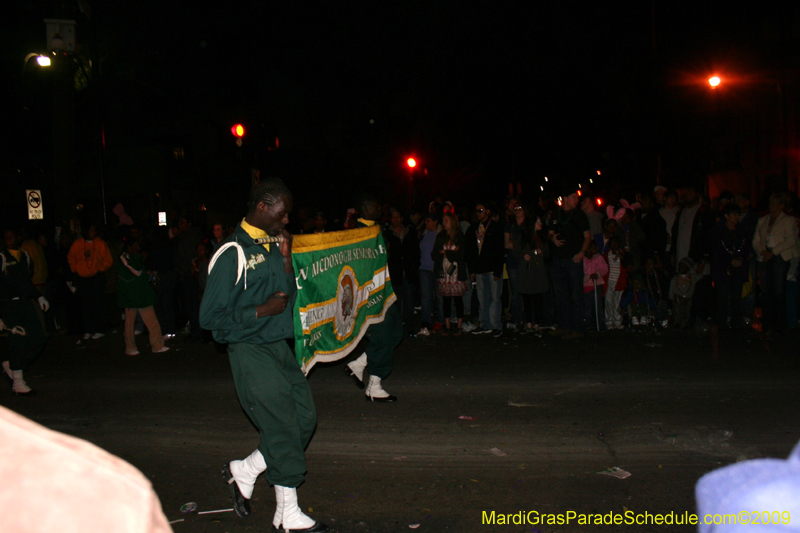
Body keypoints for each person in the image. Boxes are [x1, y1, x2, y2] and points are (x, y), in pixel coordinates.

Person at [199, 178, 328, 532]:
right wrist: (261, 310)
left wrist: (285, 260)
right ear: (262, 208)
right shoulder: (232, 252)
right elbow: (209, 319)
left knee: (304, 417)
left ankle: (247, 468)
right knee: (283, 428)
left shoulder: (271, 245)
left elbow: (285, 296)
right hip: (250, 352)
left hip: (277, 348)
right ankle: (287, 513)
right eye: (282, 213)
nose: (287, 221)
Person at [343, 194, 404, 402]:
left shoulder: (377, 229)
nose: (380, 207)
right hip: (369, 298)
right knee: (383, 337)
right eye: (376, 204)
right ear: (366, 207)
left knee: (396, 332)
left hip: (384, 292)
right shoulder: (358, 234)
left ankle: (358, 365)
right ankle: (375, 386)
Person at [1, 229, 49, 395]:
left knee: (39, 338)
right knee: (18, 342)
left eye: (12, 236)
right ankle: (19, 383)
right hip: (8, 306)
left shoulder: (26, 257)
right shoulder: (1, 258)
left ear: (19, 237)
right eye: (6, 236)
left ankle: (13, 365)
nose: (9, 239)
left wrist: (39, 297)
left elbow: (27, 282)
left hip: (25, 304)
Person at [752, 193, 800, 334]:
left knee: (778, 291)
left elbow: (790, 240)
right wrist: (763, 252)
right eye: (770, 203)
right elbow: (756, 240)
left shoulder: (788, 220)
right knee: (766, 291)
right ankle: (767, 323)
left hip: (779, 257)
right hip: (764, 258)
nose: (770, 205)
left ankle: (779, 324)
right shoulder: (763, 220)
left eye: (774, 203)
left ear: (781, 205)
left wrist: (773, 252)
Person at [547, 189, 591, 339]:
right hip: (557, 259)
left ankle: (577, 328)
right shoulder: (556, 213)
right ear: (565, 198)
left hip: (573, 260)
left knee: (576, 294)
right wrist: (552, 239)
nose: (576, 200)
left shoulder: (579, 215)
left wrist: (581, 253)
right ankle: (564, 326)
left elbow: (587, 236)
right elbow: (550, 232)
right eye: (573, 197)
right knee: (560, 295)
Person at [118, 239, 170, 356]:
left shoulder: (135, 257)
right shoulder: (125, 257)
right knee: (130, 323)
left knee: (152, 320)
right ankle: (130, 347)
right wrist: (140, 258)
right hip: (130, 295)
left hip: (142, 293)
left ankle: (157, 345)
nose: (138, 248)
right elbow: (135, 271)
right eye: (135, 245)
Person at [466, 201, 505, 337]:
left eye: (481, 210)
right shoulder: (473, 229)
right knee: (482, 298)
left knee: (495, 297)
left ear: (488, 211)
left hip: (492, 269)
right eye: (476, 211)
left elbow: (500, 250)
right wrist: (472, 270)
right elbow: (470, 251)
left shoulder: (495, 227)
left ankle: (496, 325)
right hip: (479, 269)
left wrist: (498, 270)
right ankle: (484, 324)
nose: (478, 213)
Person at [67, 224, 113, 340]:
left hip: (96, 277)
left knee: (98, 303)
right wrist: (75, 269)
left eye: (94, 230)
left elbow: (108, 260)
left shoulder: (100, 243)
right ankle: (88, 329)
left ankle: (100, 329)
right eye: (91, 230)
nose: (93, 232)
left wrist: (100, 268)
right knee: (86, 304)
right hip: (82, 278)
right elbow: (71, 257)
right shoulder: (77, 244)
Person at [711, 203, 751, 329]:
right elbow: (717, 250)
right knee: (722, 297)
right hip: (723, 269)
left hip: (738, 268)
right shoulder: (717, 231)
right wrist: (729, 261)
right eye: (734, 214)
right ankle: (722, 324)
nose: (737, 217)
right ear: (727, 216)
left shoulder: (742, 230)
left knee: (736, 297)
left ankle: (736, 323)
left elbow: (746, 247)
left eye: (738, 214)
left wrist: (741, 259)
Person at [512, 206, 548, 335]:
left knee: (538, 298)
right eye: (538, 222)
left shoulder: (541, 237)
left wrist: (541, 252)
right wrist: (524, 255)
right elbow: (515, 251)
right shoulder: (523, 237)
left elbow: (548, 252)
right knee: (527, 298)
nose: (541, 224)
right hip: (526, 272)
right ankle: (528, 323)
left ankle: (537, 323)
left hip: (538, 271)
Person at [385, 208, 420, 337]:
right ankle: (396, 328)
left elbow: (416, 250)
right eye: (393, 217)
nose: (395, 220)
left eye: (397, 217)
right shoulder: (387, 234)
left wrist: (414, 265)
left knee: (409, 301)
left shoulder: (409, 232)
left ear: (401, 218)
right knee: (395, 302)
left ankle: (410, 327)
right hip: (395, 273)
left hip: (408, 272)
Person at [433, 212, 468, 335]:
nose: (444, 223)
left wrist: (445, 252)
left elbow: (460, 255)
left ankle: (459, 326)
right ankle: (447, 326)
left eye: (447, 220)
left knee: (458, 299)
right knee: (446, 300)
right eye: (443, 221)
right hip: (444, 272)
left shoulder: (459, 236)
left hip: (456, 273)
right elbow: (434, 254)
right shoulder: (440, 236)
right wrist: (448, 252)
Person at [416, 213, 440, 336]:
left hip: (436, 269)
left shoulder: (440, 233)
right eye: (426, 221)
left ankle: (441, 321)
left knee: (439, 296)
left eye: (429, 220)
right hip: (424, 269)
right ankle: (426, 322)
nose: (427, 223)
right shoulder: (424, 234)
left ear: (435, 222)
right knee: (426, 297)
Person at [603, 236, 629, 330]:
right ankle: (609, 322)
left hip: (619, 281)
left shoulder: (624, 253)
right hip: (609, 281)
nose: (614, 245)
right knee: (609, 303)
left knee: (617, 303)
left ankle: (617, 322)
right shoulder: (607, 255)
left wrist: (621, 257)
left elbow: (627, 266)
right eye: (612, 243)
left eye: (616, 243)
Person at [582, 240, 608, 331]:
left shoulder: (599, 257)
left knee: (598, 307)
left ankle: (601, 325)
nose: (596, 249)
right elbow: (580, 272)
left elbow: (604, 268)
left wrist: (597, 274)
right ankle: (588, 324)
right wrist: (587, 277)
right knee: (587, 307)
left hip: (596, 285)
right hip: (586, 286)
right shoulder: (582, 259)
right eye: (593, 247)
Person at [669, 257, 698, 329]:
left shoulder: (691, 279)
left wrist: (691, 297)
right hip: (677, 296)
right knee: (677, 309)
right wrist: (671, 297)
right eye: (680, 266)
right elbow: (671, 287)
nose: (681, 268)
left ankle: (685, 323)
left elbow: (692, 287)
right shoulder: (676, 278)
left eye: (683, 266)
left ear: (688, 268)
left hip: (687, 297)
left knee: (686, 310)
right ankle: (676, 322)